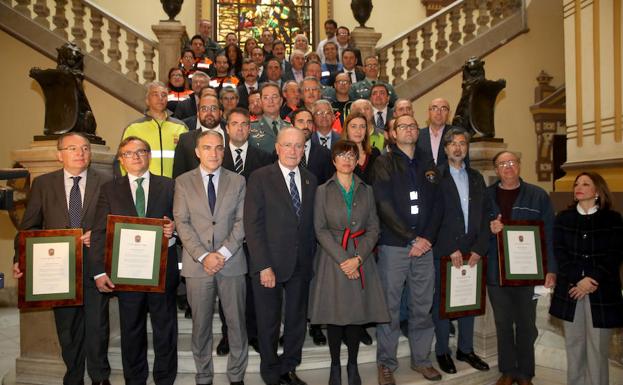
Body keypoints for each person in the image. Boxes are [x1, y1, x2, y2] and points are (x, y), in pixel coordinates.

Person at [13, 132, 112, 385]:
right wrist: (21, 258)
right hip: (58, 271)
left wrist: (100, 234)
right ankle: (74, 376)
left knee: (97, 328)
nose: (80, 153)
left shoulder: (107, 182)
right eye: (72, 148)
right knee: (68, 330)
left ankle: (100, 377)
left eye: (85, 148)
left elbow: (116, 222)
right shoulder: (43, 185)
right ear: (60, 155)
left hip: (94, 267)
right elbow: (29, 227)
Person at [91, 136, 179, 385]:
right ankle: (135, 379)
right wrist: (98, 271)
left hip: (162, 271)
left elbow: (183, 221)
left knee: (165, 329)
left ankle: (165, 379)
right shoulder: (110, 189)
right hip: (126, 273)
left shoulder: (169, 185)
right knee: (131, 331)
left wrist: (174, 228)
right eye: (129, 153)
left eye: (141, 151)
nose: (136, 157)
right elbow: (99, 231)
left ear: (149, 156)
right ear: (121, 160)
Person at [309, 140, 389, 385]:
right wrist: (345, 260)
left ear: (357, 161)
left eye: (351, 156)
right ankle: (335, 366)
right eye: (341, 155)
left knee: (355, 315)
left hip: (360, 257)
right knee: (335, 316)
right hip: (333, 258)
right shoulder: (322, 190)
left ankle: (352, 365)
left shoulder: (367, 189)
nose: (346, 159)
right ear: (334, 160)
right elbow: (320, 230)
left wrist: (358, 258)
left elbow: (374, 228)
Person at [371, 114, 442, 383]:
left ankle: (422, 360)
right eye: (403, 126)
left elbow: (438, 204)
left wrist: (427, 239)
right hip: (395, 246)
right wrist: (412, 238)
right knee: (389, 308)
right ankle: (386, 364)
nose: (409, 129)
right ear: (392, 133)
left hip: (425, 247)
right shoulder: (385, 162)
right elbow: (383, 205)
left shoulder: (429, 162)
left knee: (422, 307)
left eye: (413, 125)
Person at [174, 130, 249, 385]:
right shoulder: (183, 182)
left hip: (232, 263)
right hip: (197, 267)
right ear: (197, 152)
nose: (214, 153)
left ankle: (236, 375)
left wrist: (223, 254)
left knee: (237, 325)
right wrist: (204, 256)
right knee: (201, 327)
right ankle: (203, 375)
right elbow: (182, 223)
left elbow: (242, 222)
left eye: (218, 148)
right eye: (207, 148)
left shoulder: (238, 181)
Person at [244, 127, 318, 385]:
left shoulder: (311, 179)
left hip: (301, 263)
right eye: (287, 145)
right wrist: (263, 265)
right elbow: (252, 225)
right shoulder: (260, 177)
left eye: (299, 146)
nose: (293, 151)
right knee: (268, 322)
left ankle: (289, 366)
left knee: (297, 321)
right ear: (277, 148)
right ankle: (270, 370)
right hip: (269, 264)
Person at [486, 151, 557, 385]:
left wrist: (551, 269)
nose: (508, 167)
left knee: (527, 324)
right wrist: (490, 228)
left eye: (512, 162)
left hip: (529, 273)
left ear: (519, 165)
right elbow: (476, 232)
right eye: (502, 164)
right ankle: (507, 371)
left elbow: (550, 235)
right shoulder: (486, 197)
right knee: (503, 323)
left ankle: (525, 373)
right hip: (497, 273)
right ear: (496, 169)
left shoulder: (538, 196)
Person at [549, 172, 623, 385]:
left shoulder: (613, 219)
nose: (578, 187)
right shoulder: (563, 218)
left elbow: (614, 254)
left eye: (585, 184)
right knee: (574, 346)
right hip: (571, 290)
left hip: (601, 292)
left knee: (597, 349)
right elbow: (559, 252)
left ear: (598, 191)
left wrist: (591, 280)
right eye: (576, 184)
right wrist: (577, 279)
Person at [431, 128, 490, 375]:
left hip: (472, 250)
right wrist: (449, 247)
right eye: (453, 143)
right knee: (443, 302)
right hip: (446, 249)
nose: (458, 148)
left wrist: (479, 248)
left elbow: (486, 214)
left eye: (462, 143)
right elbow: (433, 216)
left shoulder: (476, 177)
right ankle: (443, 350)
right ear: (445, 149)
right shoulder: (435, 176)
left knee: (468, 300)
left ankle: (465, 349)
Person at [223, 108, 274, 353]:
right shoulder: (216, 157)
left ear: (250, 129)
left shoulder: (264, 157)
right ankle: (227, 335)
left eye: (245, 124)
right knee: (228, 289)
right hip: (224, 235)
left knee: (254, 290)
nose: (240, 128)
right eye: (235, 124)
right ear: (227, 128)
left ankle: (253, 333)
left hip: (255, 234)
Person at [120, 81, 188, 178]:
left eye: (164, 95)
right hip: (144, 186)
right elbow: (122, 161)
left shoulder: (181, 127)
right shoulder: (133, 128)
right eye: (155, 94)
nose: (160, 98)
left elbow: (188, 160)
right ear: (147, 100)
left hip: (174, 186)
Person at [173, 93, 226, 178]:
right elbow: (178, 176)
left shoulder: (231, 137)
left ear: (220, 112)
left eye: (213, 108)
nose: (209, 113)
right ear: (198, 113)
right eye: (204, 109)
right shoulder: (185, 139)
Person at [291, 108, 334, 185]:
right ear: (292, 125)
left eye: (309, 122)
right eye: (301, 121)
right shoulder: (282, 153)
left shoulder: (325, 154)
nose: (306, 126)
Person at [249, 83, 291, 153]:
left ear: (281, 101)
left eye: (274, 97)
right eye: (266, 97)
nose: (270, 101)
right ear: (261, 102)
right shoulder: (250, 128)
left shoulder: (290, 128)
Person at [416, 98, 458, 167]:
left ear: (449, 113)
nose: (439, 113)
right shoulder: (418, 135)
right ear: (428, 113)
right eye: (434, 108)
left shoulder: (457, 134)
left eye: (443, 109)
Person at [342, 112, 379, 184]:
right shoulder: (340, 154)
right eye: (353, 126)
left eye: (362, 126)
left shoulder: (375, 153)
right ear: (346, 130)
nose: (358, 131)